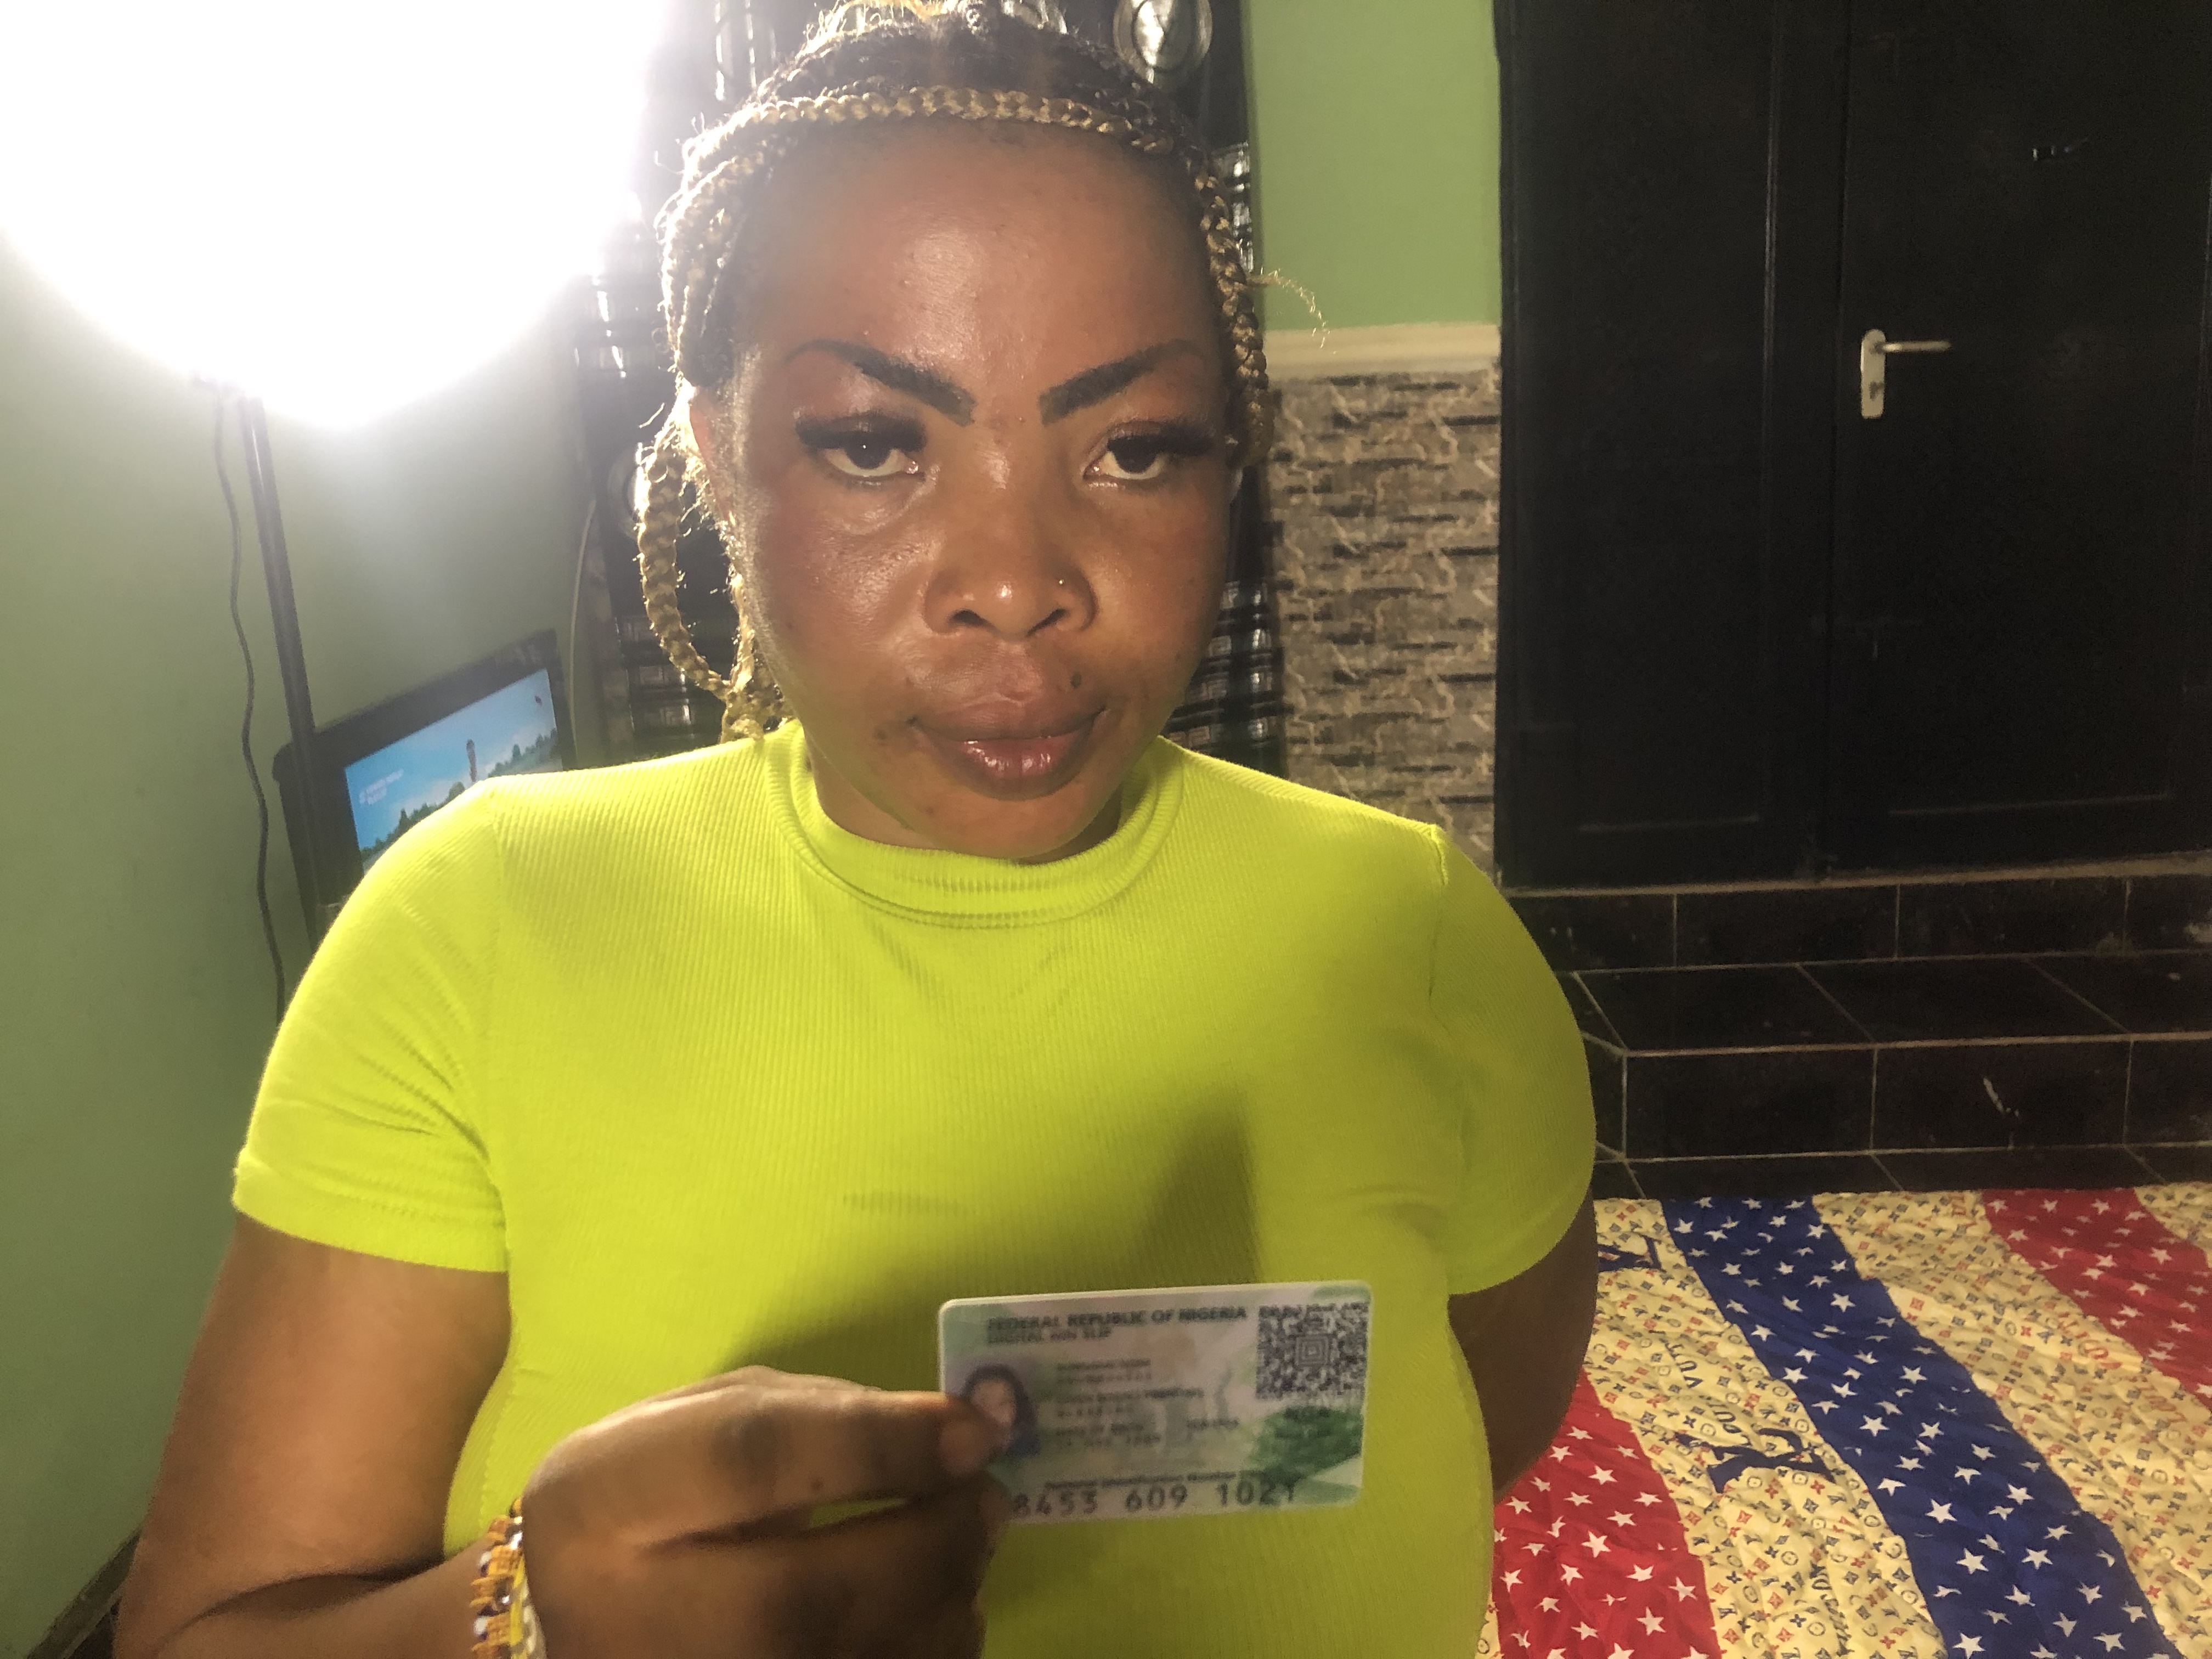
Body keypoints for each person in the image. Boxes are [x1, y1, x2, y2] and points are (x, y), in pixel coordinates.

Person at [115, 5, 1598, 1657]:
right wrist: (525, 1616)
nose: (1017, 584)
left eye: (1134, 449)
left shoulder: (1406, 932)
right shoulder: (477, 928)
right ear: (715, 460)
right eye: (879, 447)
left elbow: (1484, 1420)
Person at [958, 1366, 1040, 1459]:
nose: (993, 1412)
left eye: (1003, 1402)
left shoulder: (1031, 1451)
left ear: (1018, 1407)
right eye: (983, 1403)